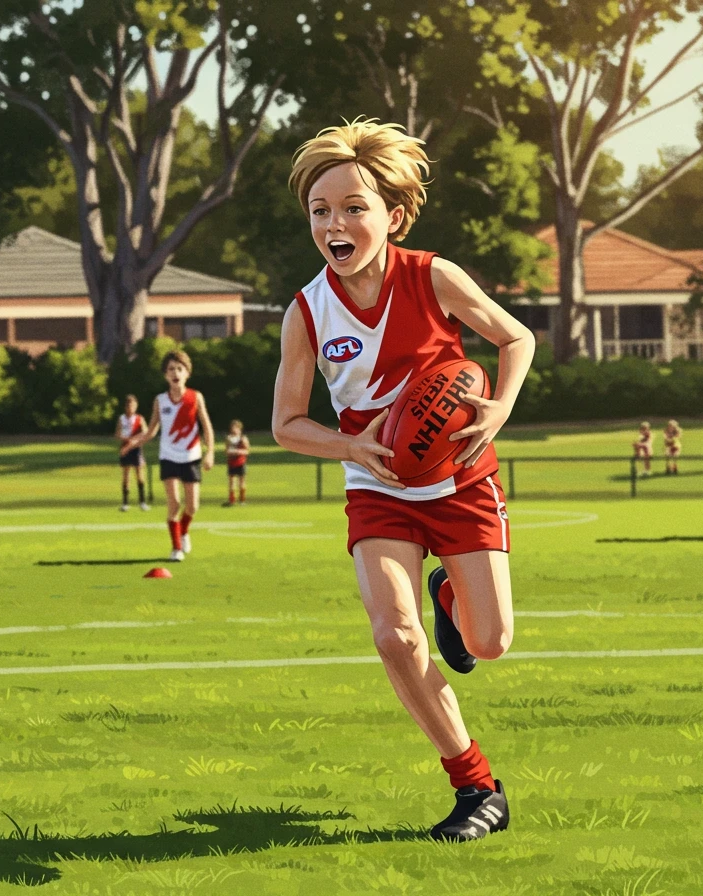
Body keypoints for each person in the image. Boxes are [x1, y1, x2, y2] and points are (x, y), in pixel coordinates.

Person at [272, 119, 534, 842]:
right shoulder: (307, 311)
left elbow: (515, 337)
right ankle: (477, 787)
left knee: (492, 643)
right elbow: (287, 424)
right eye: (320, 211)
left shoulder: (432, 276)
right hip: (377, 488)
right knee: (394, 637)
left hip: (461, 481)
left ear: (392, 214)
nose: (335, 223)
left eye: (353, 206)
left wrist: (500, 406)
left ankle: (449, 593)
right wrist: (350, 443)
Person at [130, 350, 215, 562]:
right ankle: (176, 547)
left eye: (179, 368)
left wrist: (210, 452)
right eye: (170, 369)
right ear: (165, 375)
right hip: (168, 456)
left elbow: (206, 426)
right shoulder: (160, 401)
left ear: (187, 373)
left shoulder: (196, 397)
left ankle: (184, 531)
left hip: (191, 456)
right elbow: (151, 430)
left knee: (192, 506)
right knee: (174, 504)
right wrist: (134, 441)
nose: (175, 373)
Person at [115, 394, 150, 511]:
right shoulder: (122, 419)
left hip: (136, 448)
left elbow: (146, 432)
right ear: (125, 407)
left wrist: (134, 440)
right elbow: (117, 434)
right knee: (126, 475)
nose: (131, 408)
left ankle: (142, 502)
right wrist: (126, 439)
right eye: (129, 405)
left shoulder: (139, 418)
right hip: (125, 448)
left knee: (140, 474)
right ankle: (125, 503)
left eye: (133, 405)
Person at [224, 419, 250, 506]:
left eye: (236, 428)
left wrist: (238, 451)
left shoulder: (243, 439)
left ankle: (242, 500)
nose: (234, 429)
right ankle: (232, 500)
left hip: (241, 462)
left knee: (241, 481)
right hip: (232, 462)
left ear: (239, 429)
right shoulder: (229, 439)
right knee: (231, 482)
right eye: (232, 427)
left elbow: (247, 451)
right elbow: (226, 450)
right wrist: (230, 452)